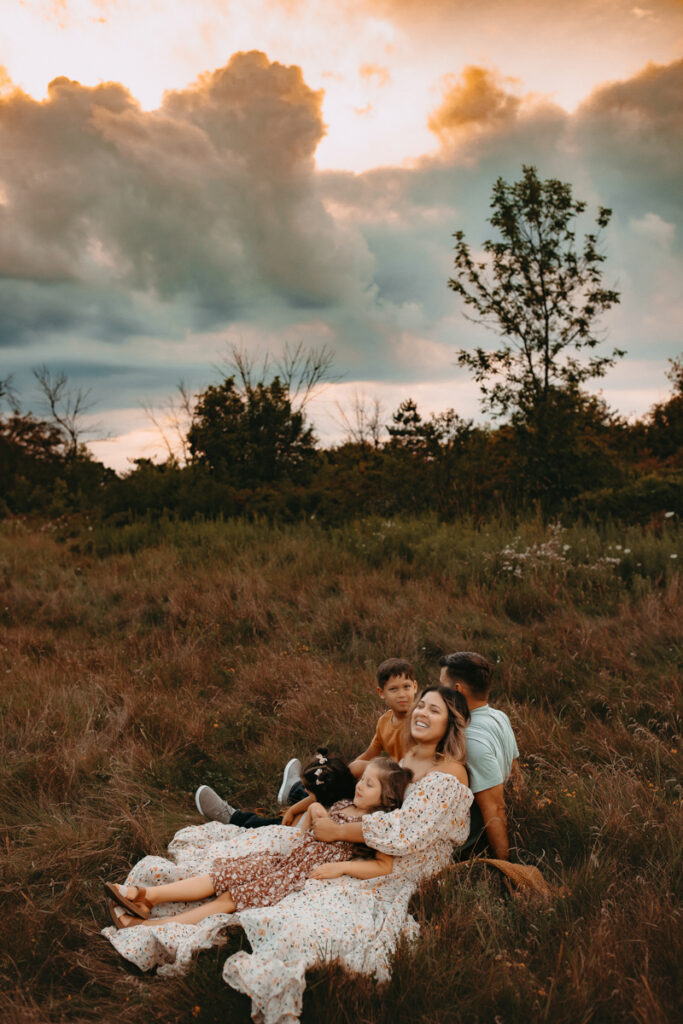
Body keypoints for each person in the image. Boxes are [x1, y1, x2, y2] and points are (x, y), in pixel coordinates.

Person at [103, 686, 473, 1022]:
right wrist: (312, 801)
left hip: (395, 863)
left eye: (433, 710)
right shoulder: (410, 753)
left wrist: (335, 831)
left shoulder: (448, 776)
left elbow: (402, 833)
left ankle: (157, 919)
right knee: (248, 857)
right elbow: (360, 774)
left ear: (451, 725)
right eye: (420, 704)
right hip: (351, 839)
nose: (421, 712)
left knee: (262, 895)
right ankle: (290, 795)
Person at [106, 754, 413, 929]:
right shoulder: (346, 803)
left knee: (231, 899)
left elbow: (383, 866)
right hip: (285, 860)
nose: (361, 786)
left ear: (385, 799)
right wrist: (317, 808)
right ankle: (146, 896)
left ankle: (149, 927)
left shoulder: (375, 825)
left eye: (370, 785)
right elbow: (318, 810)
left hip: (297, 876)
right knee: (220, 876)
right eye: (363, 780)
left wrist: (340, 868)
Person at [193, 657, 418, 828]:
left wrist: (363, 771)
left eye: (407, 687)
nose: (402, 694)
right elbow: (368, 754)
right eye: (394, 689)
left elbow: (404, 768)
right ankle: (298, 790)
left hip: (391, 793)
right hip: (373, 785)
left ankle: (236, 818)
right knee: (333, 785)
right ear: (382, 693)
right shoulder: (385, 721)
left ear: (415, 687)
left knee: (303, 820)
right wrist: (340, 776)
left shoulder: (418, 723)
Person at [439, 651, 520, 859]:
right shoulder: (499, 716)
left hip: (467, 841)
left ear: (457, 690)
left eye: (442, 685)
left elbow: (495, 809)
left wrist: (506, 865)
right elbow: (515, 772)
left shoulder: (470, 739)